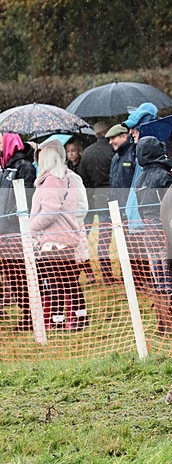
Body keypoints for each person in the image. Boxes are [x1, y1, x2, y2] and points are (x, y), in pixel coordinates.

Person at [30, 140, 89, 330]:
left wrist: (31, 226)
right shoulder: (66, 179)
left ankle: (57, 322)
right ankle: (80, 318)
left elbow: (49, 211)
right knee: (70, 282)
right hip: (67, 239)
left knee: (55, 284)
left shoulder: (51, 182)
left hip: (53, 241)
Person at [134, 136, 172, 334]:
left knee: (158, 274)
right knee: (170, 274)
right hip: (162, 227)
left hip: (148, 229)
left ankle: (163, 322)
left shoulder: (139, 179)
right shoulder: (163, 176)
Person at [0, 132, 36, 331]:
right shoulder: (5, 168)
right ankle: (25, 313)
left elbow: (26, 199)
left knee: (21, 275)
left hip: (16, 231)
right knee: (12, 277)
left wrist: (12, 216)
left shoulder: (24, 167)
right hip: (4, 232)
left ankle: (31, 314)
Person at [123, 102, 159, 290]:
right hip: (141, 219)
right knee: (153, 262)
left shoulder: (153, 153)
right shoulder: (139, 154)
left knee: (159, 261)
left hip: (149, 219)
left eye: (134, 128)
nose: (131, 133)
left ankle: (168, 299)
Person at [78, 120, 115, 283]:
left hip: (95, 197)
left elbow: (83, 179)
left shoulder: (87, 153)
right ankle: (113, 273)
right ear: (107, 132)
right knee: (116, 236)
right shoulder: (112, 150)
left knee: (97, 237)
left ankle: (101, 272)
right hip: (114, 196)